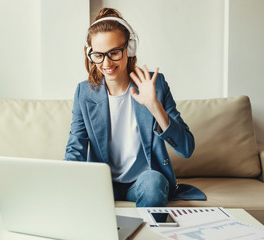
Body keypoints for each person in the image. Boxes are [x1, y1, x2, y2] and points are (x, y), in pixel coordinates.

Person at [64, 8, 206, 207]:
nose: (106, 63)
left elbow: (186, 148)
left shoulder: (155, 85)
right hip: (103, 183)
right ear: (90, 54)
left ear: (129, 49)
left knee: (153, 182)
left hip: (143, 181)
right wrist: (63, 182)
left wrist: (155, 106)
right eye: (98, 55)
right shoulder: (84, 92)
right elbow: (76, 147)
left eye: (114, 52)